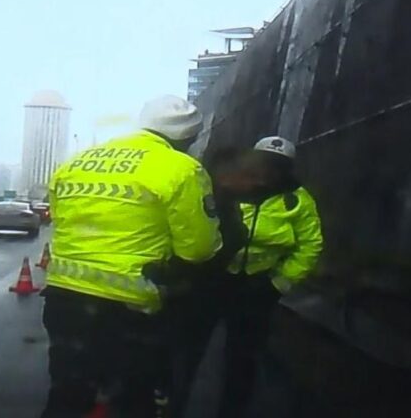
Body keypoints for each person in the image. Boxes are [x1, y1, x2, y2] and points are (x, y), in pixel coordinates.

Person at [41, 95, 223, 418]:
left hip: (64, 296)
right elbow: (198, 249)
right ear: (188, 138)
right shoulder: (182, 168)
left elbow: (59, 218)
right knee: (132, 398)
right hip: (131, 306)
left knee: (67, 395)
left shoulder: (77, 161)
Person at [172, 136, 323, 418]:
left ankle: (232, 410)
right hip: (213, 279)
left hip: (257, 286)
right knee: (188, 348)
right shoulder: (228, 187)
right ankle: (173, 406)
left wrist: (278, 283)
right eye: (266, 162)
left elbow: (310, 245)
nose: (270, 171)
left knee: (243, 357)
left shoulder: (297, 200)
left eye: (279, 165)